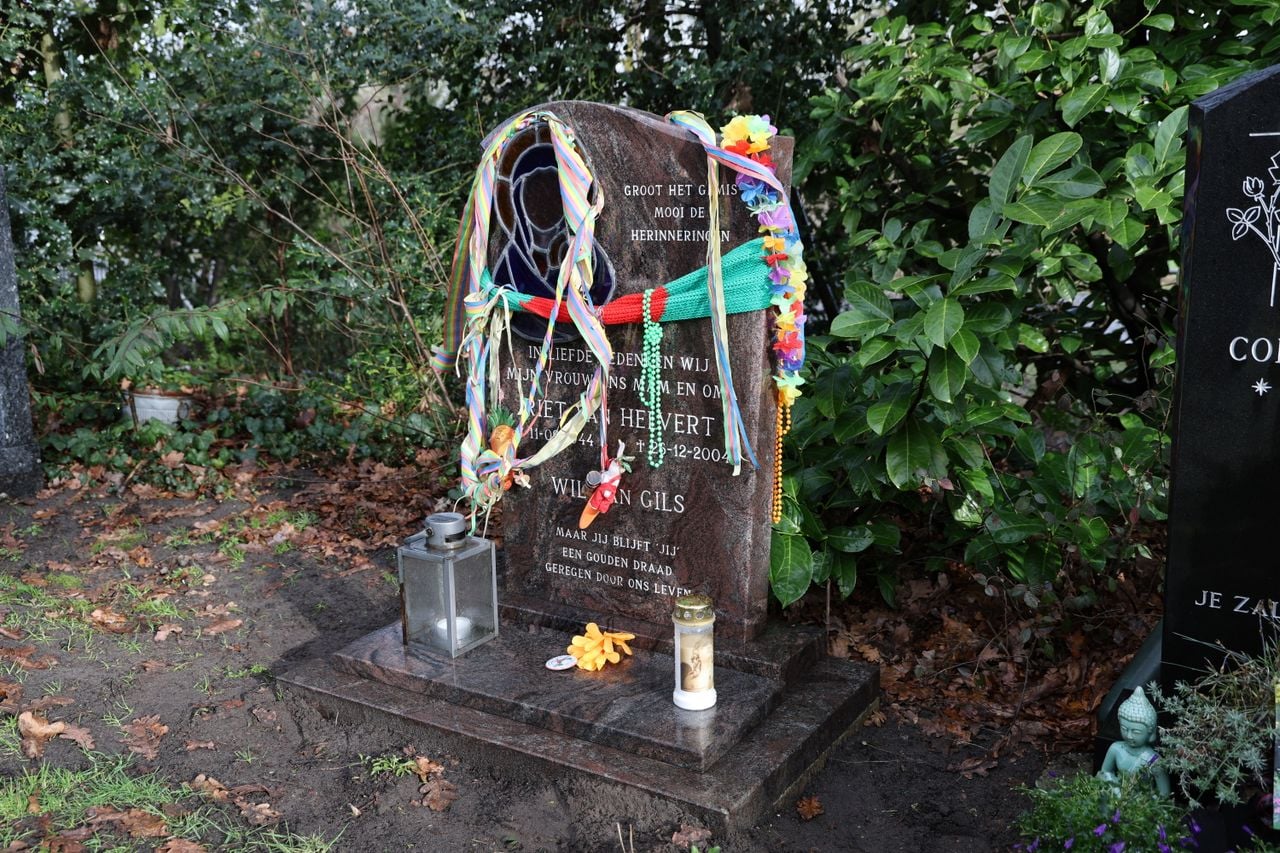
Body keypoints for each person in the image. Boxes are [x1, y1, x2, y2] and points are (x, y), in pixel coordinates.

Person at [1097, 686, 1172, 797]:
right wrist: (1114, 786)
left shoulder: (1154, 761)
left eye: (1136, 732)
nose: (1129, 736)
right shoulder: (1115, 749)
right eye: (1124, 729)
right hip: (1117, 795)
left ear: (1150, 732)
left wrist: (1147, 802)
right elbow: (1104, 773)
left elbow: (1164, 794)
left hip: (1142, 802)